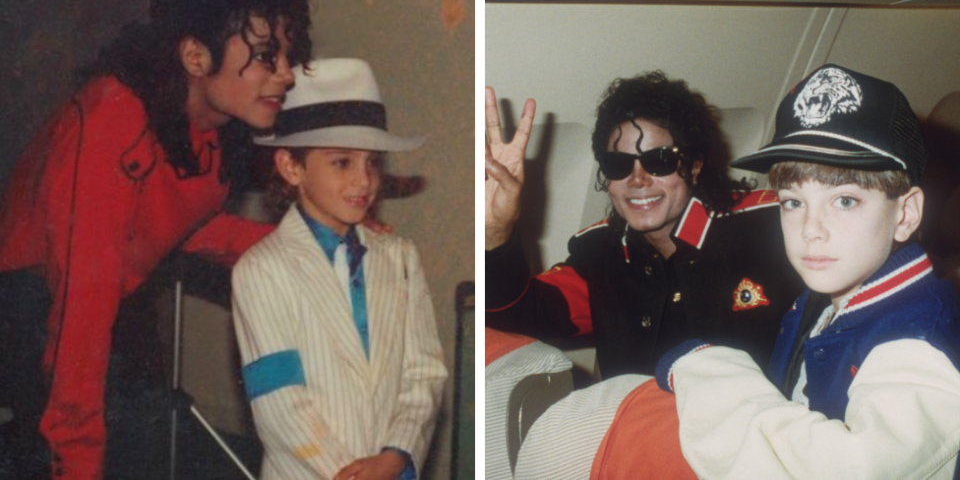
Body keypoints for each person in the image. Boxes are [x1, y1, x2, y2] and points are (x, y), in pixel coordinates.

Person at [0, 0, 313, 478]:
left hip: (96, 300)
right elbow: (80, 319)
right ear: (195, 56)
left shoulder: (205, 122)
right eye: (265, 56)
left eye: (288, 54)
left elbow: (176, 225)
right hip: (27, 308)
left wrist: (316, 241)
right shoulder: (110, 126)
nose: (286, 74)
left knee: (139, 427)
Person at [655, 64, 960, 479]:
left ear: (905, 213)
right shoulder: (820, 299)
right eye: (793, 202)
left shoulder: (920, 344)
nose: (810, 230)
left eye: (845, 201)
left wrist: (705, 368)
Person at [484, 72, 804, 378]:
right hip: (638, 429)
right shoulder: (602, 255)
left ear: (694, 166)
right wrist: (496, 231)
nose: (637, 180)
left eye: (659, 161)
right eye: (619, 165)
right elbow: (518, 317)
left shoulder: (772, 228)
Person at [231, 58, 447, 480]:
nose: (363, 181)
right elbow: (279, 403)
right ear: (291, 167)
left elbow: (424, 373)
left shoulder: (400, 258)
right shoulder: (261, 270)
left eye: (372, 163)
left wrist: (395, 455)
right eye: (342, 162)